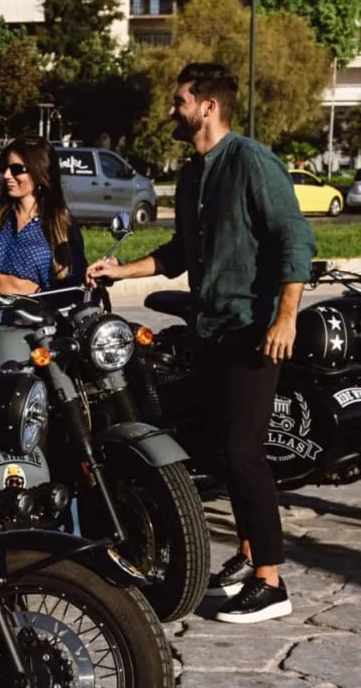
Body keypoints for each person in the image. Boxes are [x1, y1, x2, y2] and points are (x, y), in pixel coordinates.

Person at [87, 62, 316, 624]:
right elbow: (179, 252)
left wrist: (286, 317)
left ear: (207, 106)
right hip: (212, 329)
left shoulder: (251, 163)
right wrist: (122, 270)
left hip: (254, 331)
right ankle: (246, 553)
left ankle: (271, 579)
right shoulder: (193, 174)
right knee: (219, 449)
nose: (172, 109)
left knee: (244, 450)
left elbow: (296, 240)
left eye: (179, 100)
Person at [0, 136, 86, 343]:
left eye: (16, 169)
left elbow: (75, 282)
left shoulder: (61, 224)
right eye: (4, 168)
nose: (6, 175)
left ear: (39, 171)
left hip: (29, 321)